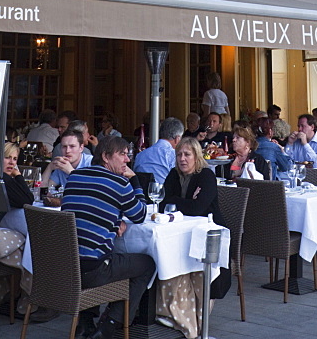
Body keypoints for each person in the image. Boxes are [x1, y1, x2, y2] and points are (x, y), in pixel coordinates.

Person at [62, 136, 154, 339]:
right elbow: (139, 215)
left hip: (66, 268)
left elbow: (85, 212)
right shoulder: (119, 183)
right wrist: (134, 179)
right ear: (105, 156)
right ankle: (109, 326)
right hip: (94, 271)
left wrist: (114, 220)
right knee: (147, 263)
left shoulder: (75, 177)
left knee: (99, 249)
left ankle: (85, 323)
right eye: (122, 154)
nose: (127, 160)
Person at [159, 138, 229, 335]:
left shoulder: (205, 175)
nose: (182, 159)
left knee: (204, 274)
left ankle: (199, 324)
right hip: (181, 233)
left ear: (196, 157)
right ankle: (178, 316)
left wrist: (175, 201)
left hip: (211, 236)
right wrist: (183, 201)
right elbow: (163, 202)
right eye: (179, 154)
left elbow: (198, 208)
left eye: (187, 154)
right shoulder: (174, 174)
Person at [134, 117, 184, 183]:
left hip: (141, 192)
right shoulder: (174, 155)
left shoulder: (140, 155)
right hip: (164, 192)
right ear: (177, 139)